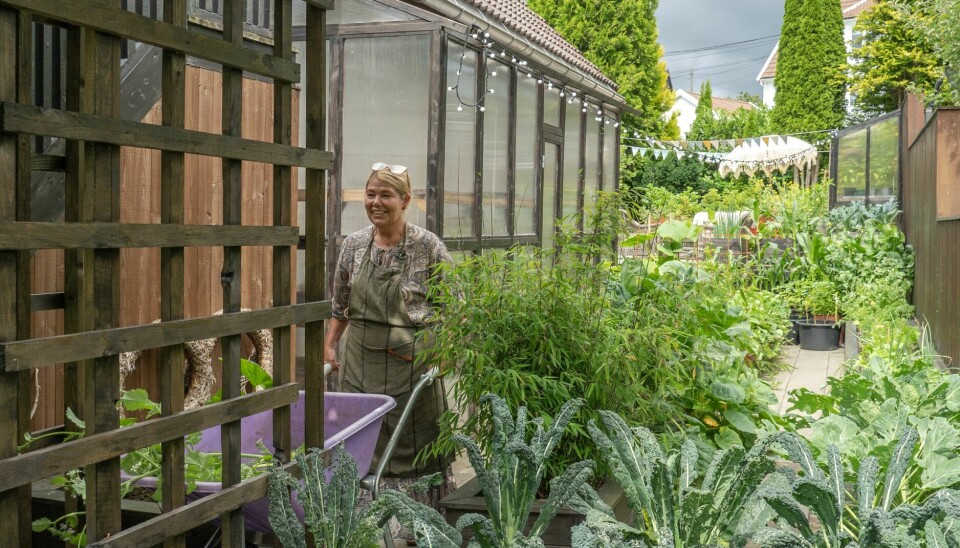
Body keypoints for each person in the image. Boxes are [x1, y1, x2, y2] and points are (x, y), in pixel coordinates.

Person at [323, 162, 454, 534]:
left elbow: (456, 308)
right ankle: (363, 526)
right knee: (361, 441)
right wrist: (330, 345)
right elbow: (340, 305)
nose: (375, 202)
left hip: (412, 363)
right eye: (370, 194)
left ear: (405, 200)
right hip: (360, 359)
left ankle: (417, 529)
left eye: (386, 195)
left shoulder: (428, 247)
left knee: (412, 445)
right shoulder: (353, 245)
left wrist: (445, 356)